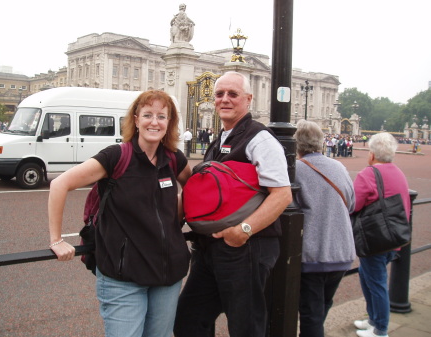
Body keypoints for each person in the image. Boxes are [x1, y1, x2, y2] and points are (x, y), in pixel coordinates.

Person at [48, 90, 192, 337]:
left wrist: (176, 216)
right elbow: (59, 184)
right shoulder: (116, 157)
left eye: (161, 116)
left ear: (169, 123)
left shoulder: (173, 158)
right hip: (123, 277)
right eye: (147, 115)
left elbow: (195, 191)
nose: (154, 122)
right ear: (136, 120)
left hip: (168, 275)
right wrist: (56, 239)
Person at [174, 71, 292, 337]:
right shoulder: (220, 139)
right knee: (189, 319)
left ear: (248, 99)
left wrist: (243, 231)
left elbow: (282, 195)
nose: (224, 99)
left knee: (245, 326)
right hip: (210, 249)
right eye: (219, 94)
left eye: (233, 94)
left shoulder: (260, 139)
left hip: (246, 247)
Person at [294, 120, 356, 337]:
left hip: (314, 253)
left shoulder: (296, 169)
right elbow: (351, 203)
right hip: (341, 251)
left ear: (297, 145)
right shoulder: (339, 166)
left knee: (311, 316)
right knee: (319, 312)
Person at [352, 132, 411, 337]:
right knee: (367, 276)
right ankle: (373, 319)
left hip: (375, 238)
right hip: (392, 237)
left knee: (376, 283)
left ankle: (380, 330)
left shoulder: (368, 174)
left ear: (372, 154)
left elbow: (354, 204)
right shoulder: (398, 172)